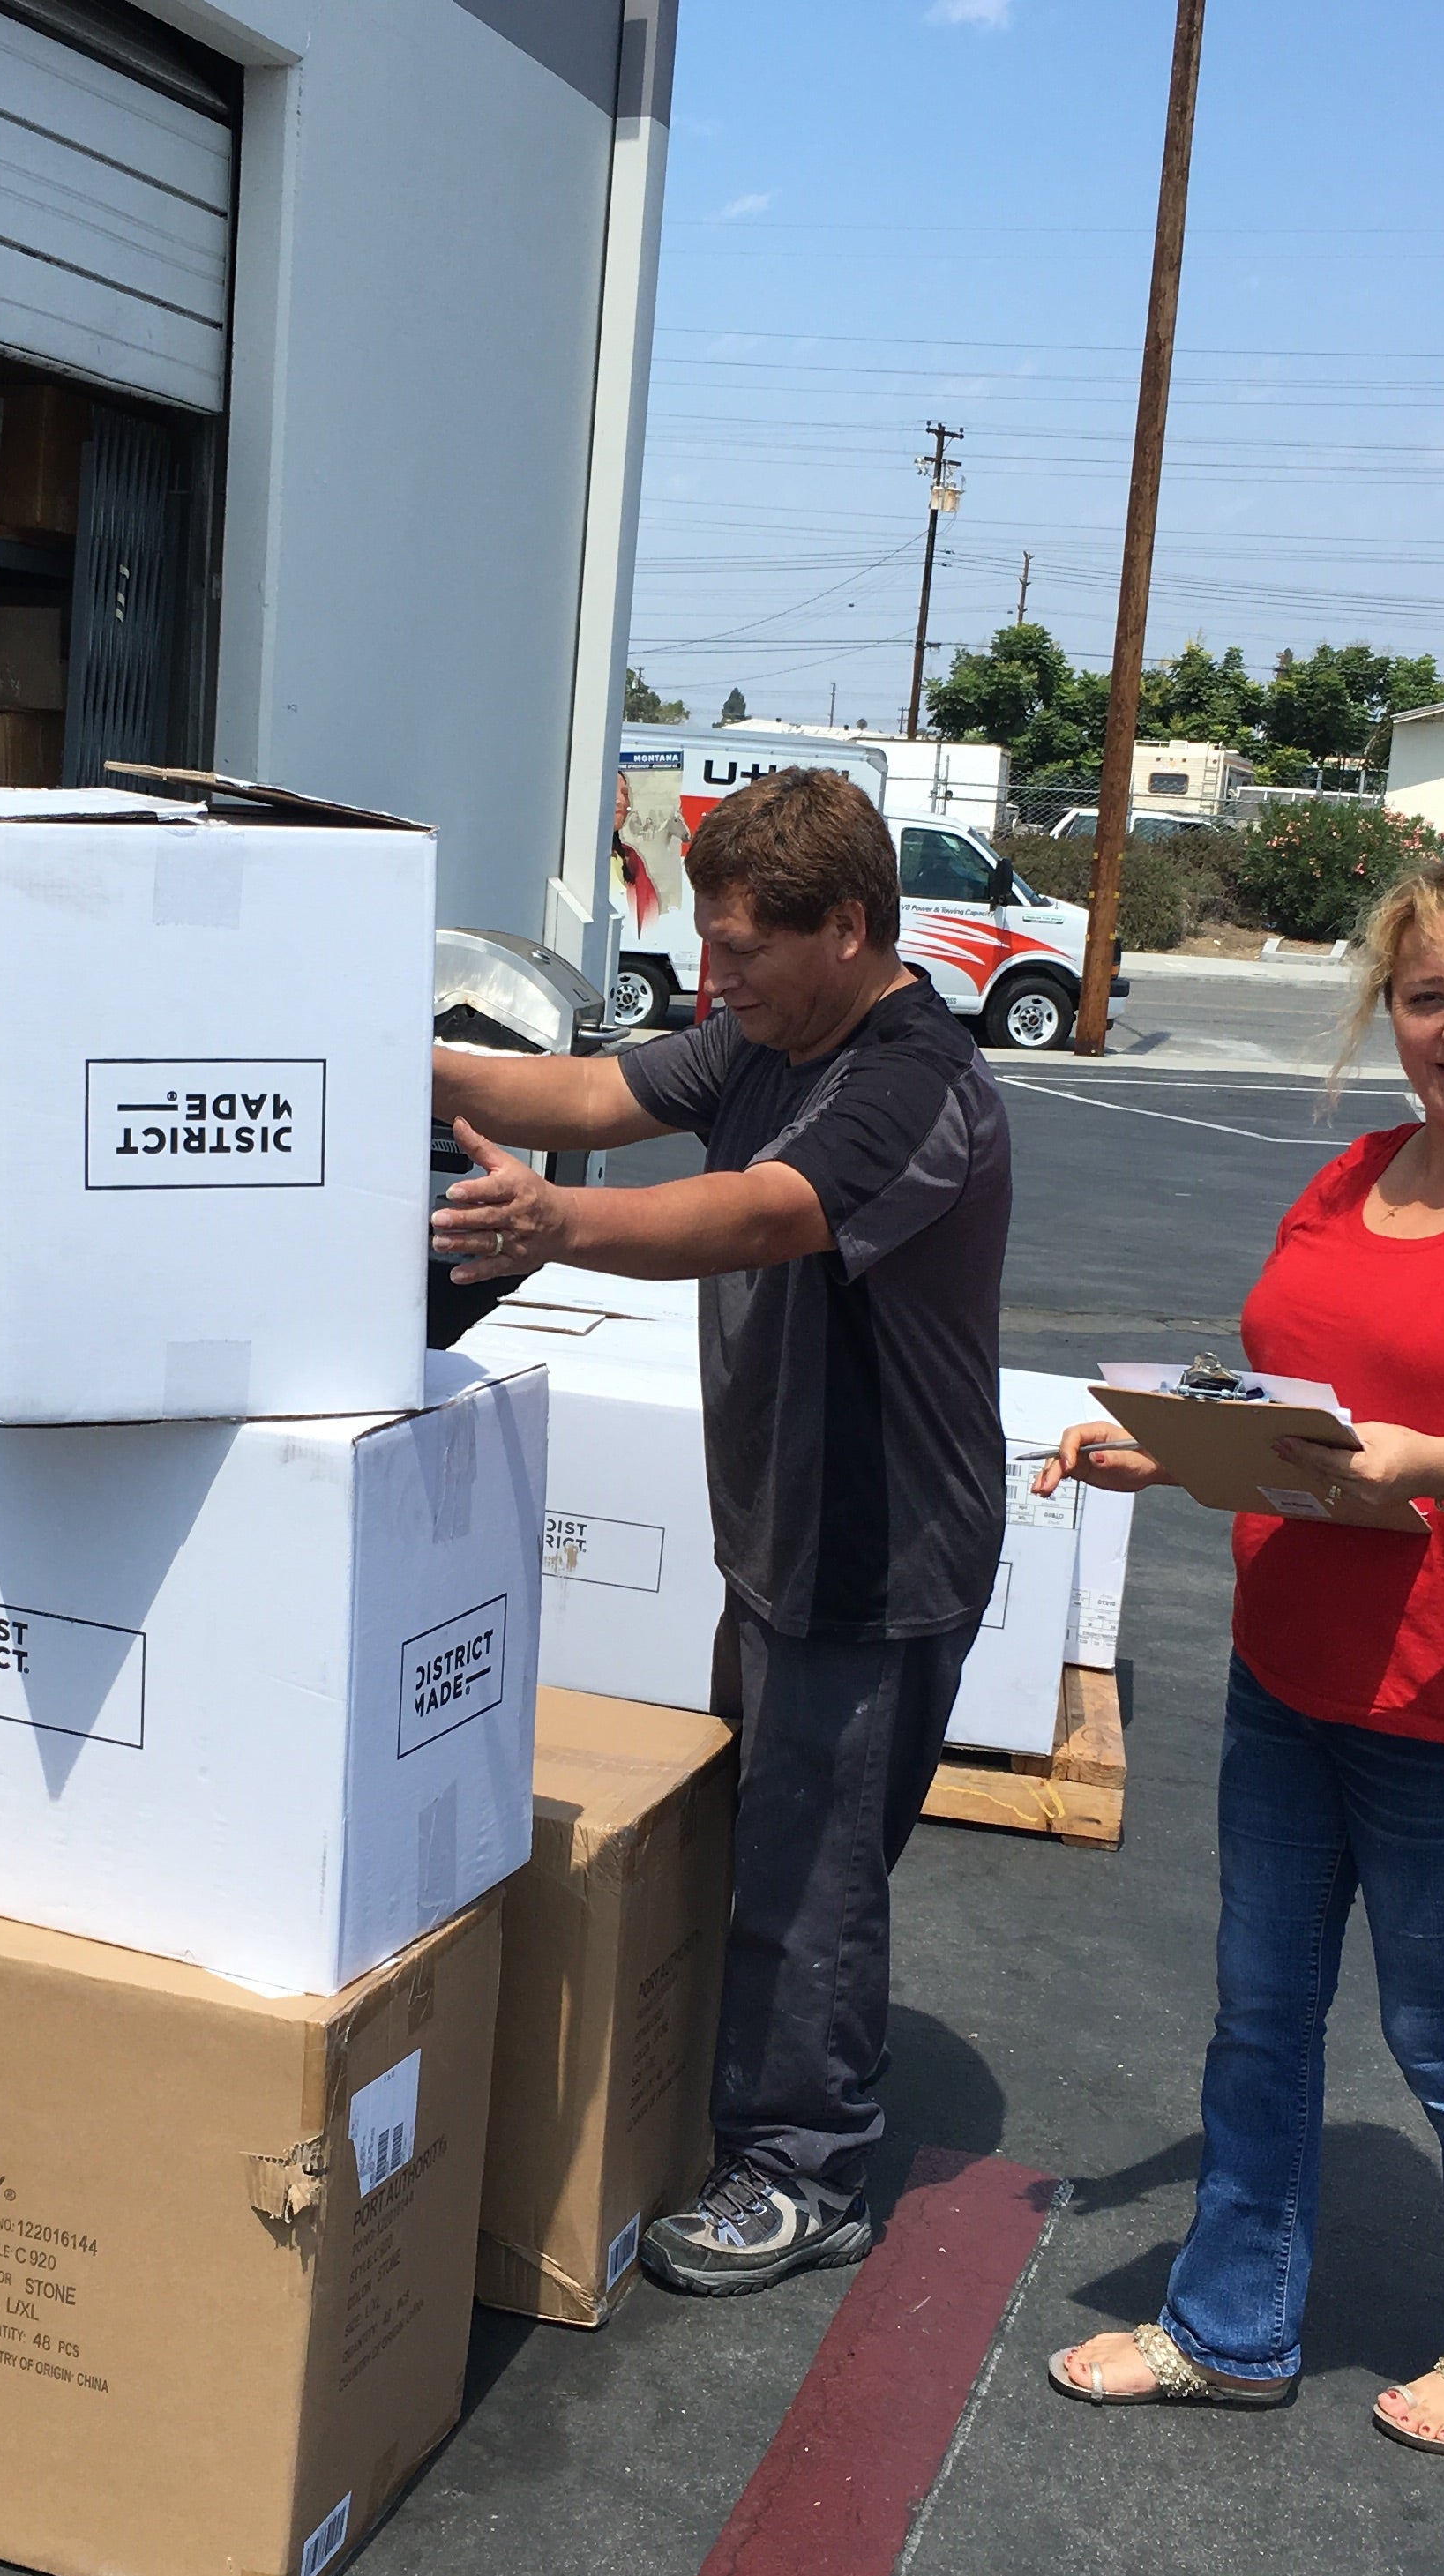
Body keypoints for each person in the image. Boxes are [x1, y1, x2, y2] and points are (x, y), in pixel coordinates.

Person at [1037, 855, 1444, 2454]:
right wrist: (1176, 1454)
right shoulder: (1355, 1179)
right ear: (1385, 1013)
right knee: (1259, 2013)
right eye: (1427, 998)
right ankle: (1232, 2327)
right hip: (1293, 1674)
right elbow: (1304, 1421)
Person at [430, 765, 1011, 2296]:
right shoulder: (758, 1031)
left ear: (852, 930)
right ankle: (756, 2099)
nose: (717, 973)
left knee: (816, 1869)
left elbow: (759, 1214)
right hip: (780, 1527)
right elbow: (588, 1096)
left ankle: (803, 2170)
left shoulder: (912, 1081)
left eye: (746, 944)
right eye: (709, 939)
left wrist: (559, 1224)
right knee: (768, 1830)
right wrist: (396, 1058)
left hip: (875, 1552)